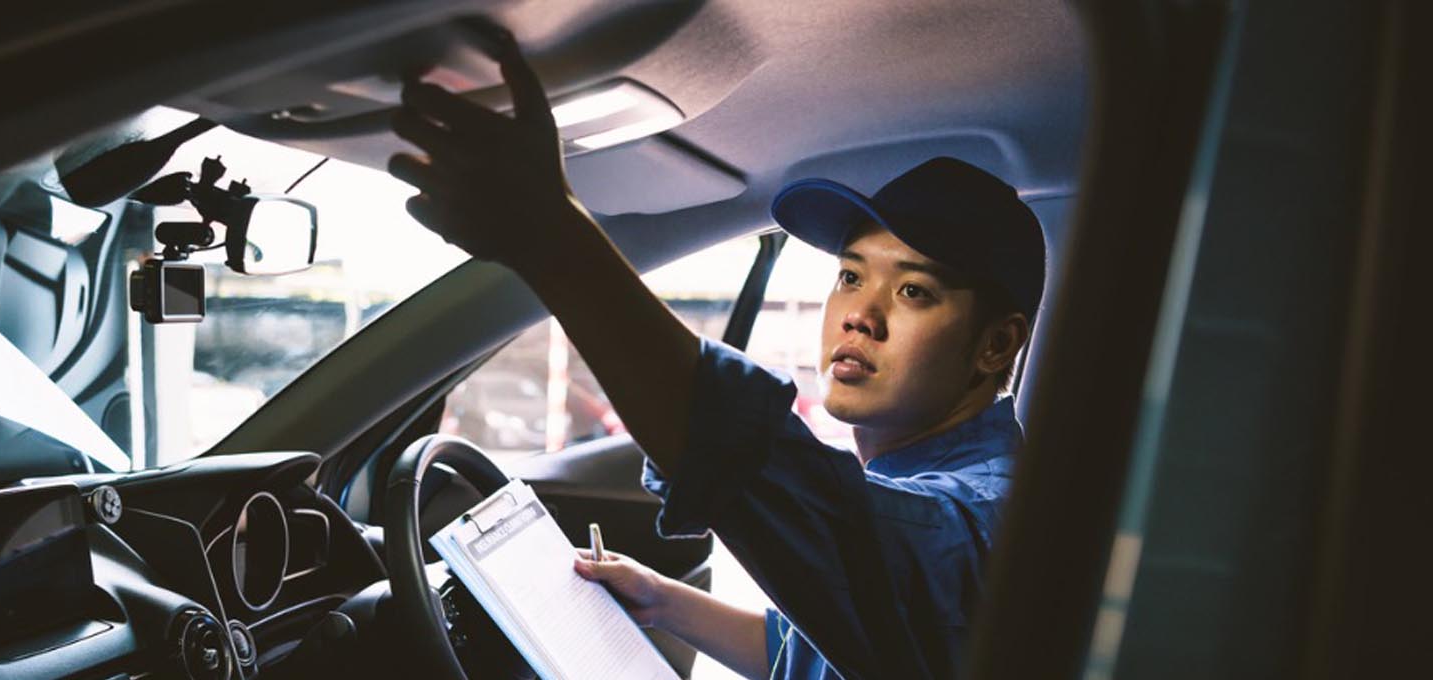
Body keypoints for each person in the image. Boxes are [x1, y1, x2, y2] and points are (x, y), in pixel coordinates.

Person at [388, 30, 1043, 680]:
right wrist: (661, 600)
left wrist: (552, 237)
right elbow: (819, 645)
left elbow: (758, 467)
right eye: (850, 276)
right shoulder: (915, 490)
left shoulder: (979, 523)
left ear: (995, 345)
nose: (861, 315)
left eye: (912, 290)